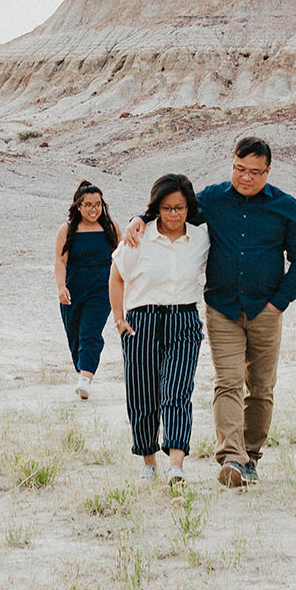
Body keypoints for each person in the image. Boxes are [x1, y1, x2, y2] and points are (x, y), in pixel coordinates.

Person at [124, 135, 296, 488]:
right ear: (232, 164)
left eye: (255, 172)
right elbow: (174, 204)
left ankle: (251, 456)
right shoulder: (213, 198)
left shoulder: (286, 206)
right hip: (222, 308)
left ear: (268, 171)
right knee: (227, 382)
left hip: (266, 310)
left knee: (260, 388)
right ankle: (232, 459)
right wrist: (141, 216)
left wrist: (279, 302)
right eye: (239, 168)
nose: (245, 177)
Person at [110, 173, 209, 484]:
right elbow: (117, 276)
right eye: (166, 208)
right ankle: (148, 462)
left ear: (188, 208)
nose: (173, 215)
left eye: (179, 208)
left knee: (178, 392)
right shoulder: (138, 237)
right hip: (142, 322)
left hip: (184, 320)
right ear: (156, 208)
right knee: (142, 396)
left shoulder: (201, 239)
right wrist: (119, 319)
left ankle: (177, 465)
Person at [56, 181, 117, 399]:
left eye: (98, 204)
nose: (94, 209)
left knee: (90, 333)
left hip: (102, 289)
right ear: (79, 206)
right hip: (74, 289)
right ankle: (83, 370)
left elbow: (122, 258)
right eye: (88, 205)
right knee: (75, 337)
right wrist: (61, 287)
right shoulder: (67, 229)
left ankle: (85, 379)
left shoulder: (111, 228)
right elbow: (61, 261)